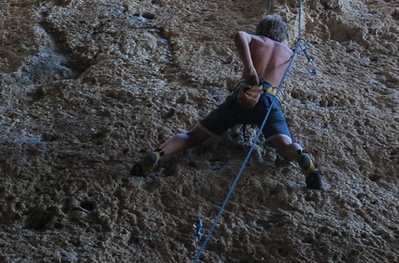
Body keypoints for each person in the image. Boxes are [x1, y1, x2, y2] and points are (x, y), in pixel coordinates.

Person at [131, 14, 323, 190]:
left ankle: (158, 154)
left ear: (261, 29)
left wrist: (250, 69)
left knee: (192, 136)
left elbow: (240, 35)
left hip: (241, 97)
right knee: (285, 145)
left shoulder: (256, 40)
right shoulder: (289, 52)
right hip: (268, 101)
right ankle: (300, 156)